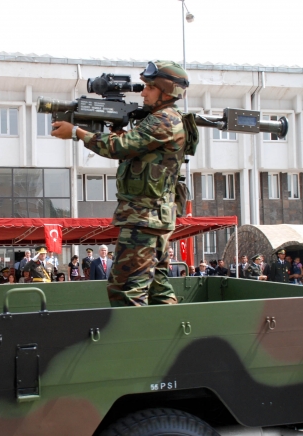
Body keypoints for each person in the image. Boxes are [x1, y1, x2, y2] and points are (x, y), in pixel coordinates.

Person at [51, 60, 190, 306]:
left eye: (149, 87)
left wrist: (77, 132)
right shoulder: (158, 119)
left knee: (126, 291)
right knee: (157, 288)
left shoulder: (164, 120)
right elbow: (133, 147)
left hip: (144, 218)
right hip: (151, 217)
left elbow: (120, 147)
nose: (143, 92)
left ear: (166, 92)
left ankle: (137, 343)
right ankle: (168, 338)